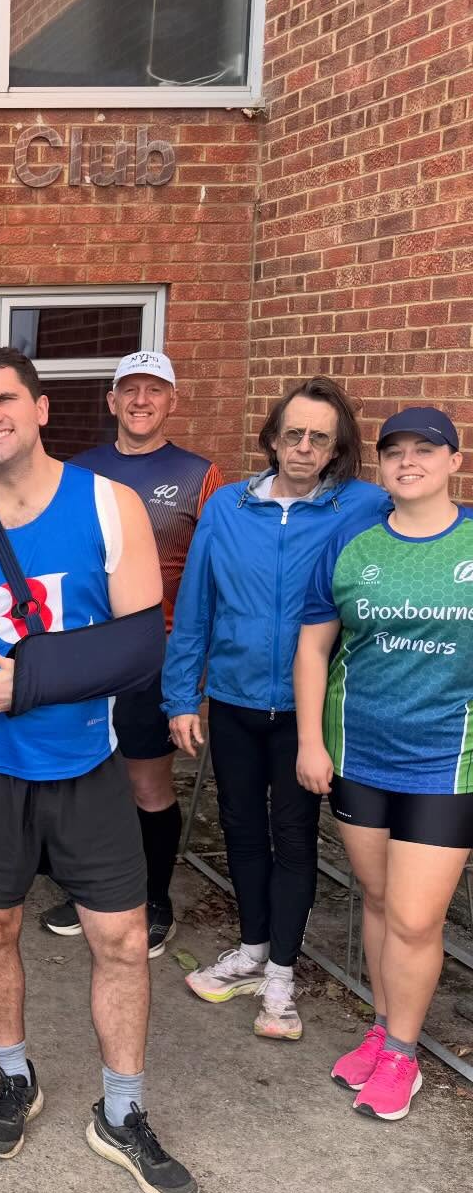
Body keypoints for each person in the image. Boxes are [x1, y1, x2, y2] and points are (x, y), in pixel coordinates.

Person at [0, 347, 196, 1193]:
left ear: (38, 406)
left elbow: (141, 646)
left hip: (89, 765)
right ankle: (13, 1076)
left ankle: (124, 1111)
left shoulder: (110, 505)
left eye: (3, 400)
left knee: (121, 940)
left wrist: (32, 678)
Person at [165, 376, 389, 1039]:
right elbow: (196, 607)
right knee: (239, 826)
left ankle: (282, 977)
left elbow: (425, 521)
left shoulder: (361, 507)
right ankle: (254, 948)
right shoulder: (229, 508)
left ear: (337, 446)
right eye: (293, 433)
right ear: (272, 436)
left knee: (293, 836)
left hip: (306, 709)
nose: (303, 447)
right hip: (232, 698)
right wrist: (182, 695)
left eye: (319, 437)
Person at [295, 406, 471, 1121]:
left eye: (424, 450)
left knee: (414, 917)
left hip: (448, 760)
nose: (407, 462)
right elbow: (312, 649)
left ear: (453, 460)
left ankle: (403, 1052)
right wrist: (312, 740)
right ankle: (381, 1024)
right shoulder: (354, 547)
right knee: (374, 901)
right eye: (393, 451)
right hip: (359, 754)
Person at [40, 351, 224, 955]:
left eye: (155, 390)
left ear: (172, 401)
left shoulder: (202, 475)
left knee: (147, 784)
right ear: (112, 401)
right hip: (89, 652)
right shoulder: (78, 472)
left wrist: (194, 671)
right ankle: (91, 890)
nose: (141, 400)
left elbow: (212, 576)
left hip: (159, 654)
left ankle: (154, 900)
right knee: (90, 775)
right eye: (130, 391)